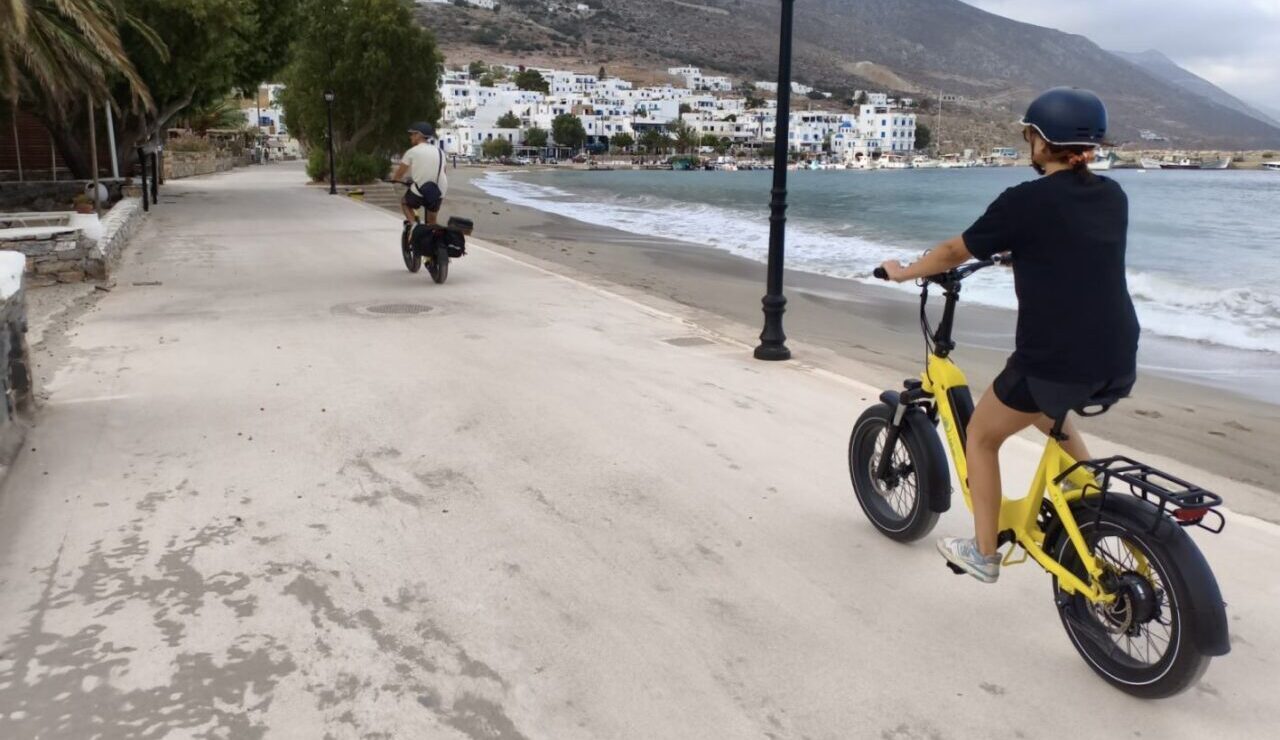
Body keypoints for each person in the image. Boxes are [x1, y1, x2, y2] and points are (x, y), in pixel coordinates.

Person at [877, 87, 1140, 583]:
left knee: (982, 434)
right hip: (1117, 354)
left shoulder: (1025, 201)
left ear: (1041, 141)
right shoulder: (1112, 195)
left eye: (1029, 135)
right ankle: (1094, 500)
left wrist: (903, 271)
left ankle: (983, 553)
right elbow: (1077, 244)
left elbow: (955, 252)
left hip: (1054, 358)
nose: (1028, 143)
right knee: (1046, 414)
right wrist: (1025, 253)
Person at [391, 122, 448, 226]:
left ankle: (414, 227)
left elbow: (398, 176)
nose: (410, 136)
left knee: (405, 202)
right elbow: (443, 172)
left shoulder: (412, 151)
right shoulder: (440, 152)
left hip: (421, 190)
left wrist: (396, 181)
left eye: (412, 134)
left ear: (419, 135)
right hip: (439, 190)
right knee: (432, 221)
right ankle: (433, 236)